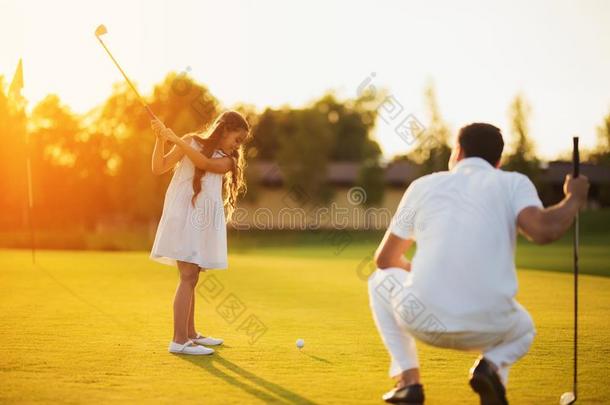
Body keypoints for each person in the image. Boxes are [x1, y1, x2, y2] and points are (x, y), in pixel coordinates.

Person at [368, 123, 589, 404]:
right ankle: (490, 367)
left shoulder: (421, 186)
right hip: (489, 325)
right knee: (523, 328)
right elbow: (543, 230)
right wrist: (574, 199)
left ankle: (409, 383)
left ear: (457, 152)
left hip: (420, 319)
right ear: (498, 161)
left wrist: (423, 274)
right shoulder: (513, 182)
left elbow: (384, 260)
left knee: (379, 280)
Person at [149, 111, 249, 355]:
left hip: (202, 220)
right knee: (187, 276)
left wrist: (177, 139)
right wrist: (161, 138)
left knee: (192, 276)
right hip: (184, 216)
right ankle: (179, 340)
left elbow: (204, 164)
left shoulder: (227, 160)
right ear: (224, 129)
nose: (238, 146)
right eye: (237, 139)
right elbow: (159, 167)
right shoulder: (191, 142)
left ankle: (190, 334)